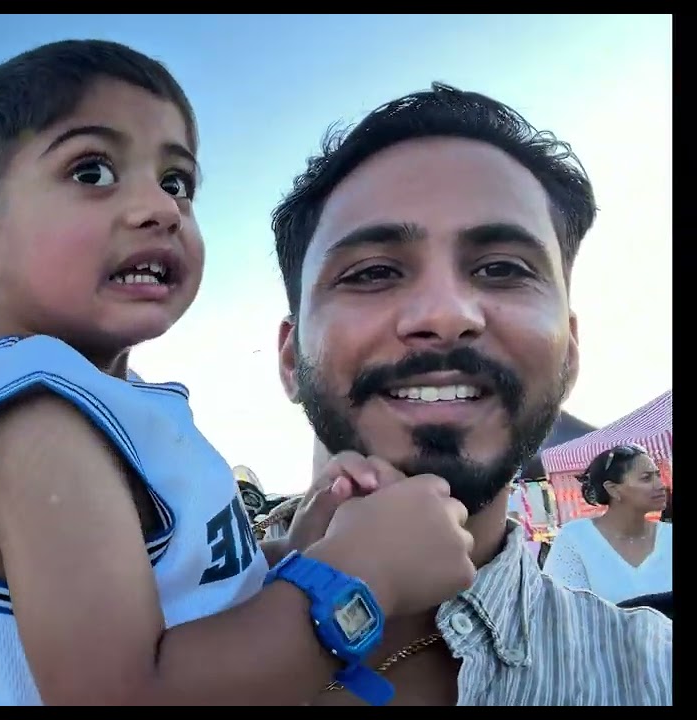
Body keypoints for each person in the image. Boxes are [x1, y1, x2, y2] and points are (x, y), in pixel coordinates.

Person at [0, 40, 473, 706]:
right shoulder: (34, 425)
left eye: (177, 181)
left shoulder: (113, 408)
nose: (162, 208)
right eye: (92, 172)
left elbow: (183, 602)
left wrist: (295, 551)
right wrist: (364, 572)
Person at [266, 82, 671, 705]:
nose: (445, 313)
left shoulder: (654, 673)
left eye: (503, 268)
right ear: (292, 356)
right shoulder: (109, 651)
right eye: (373, 272)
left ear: (570, 349)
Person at [543, 445, 672, 603]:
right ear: (613, 489)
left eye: (658, 476)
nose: (660, 485)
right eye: (646, 478)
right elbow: (562, 607)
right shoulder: (576, 538)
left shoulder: (669, 536)